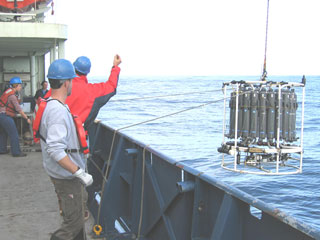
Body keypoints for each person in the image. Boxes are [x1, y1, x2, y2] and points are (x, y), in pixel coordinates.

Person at [39, 59, 93, 240]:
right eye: (71, 80)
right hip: (67, 178)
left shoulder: (53, 104)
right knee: (73, 223)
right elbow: (55, 150)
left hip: (65, 176)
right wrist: (79, 172)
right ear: (66, 82)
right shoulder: (58, 111)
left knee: (77, 218)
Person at [44, 55, 121, 130]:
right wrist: (115, 66)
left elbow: (43, 106)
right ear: (87, 72)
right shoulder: (92, 91)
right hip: (77, 138)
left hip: (52, 132)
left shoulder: (57, 89)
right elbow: (111, 87)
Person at [0, 77, 31, 157]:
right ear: (16, 86)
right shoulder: (12, 96)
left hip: (1, 115)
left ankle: (2, 149)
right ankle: (16, 152)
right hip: (4, 115)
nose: (21, 87)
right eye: (20, 86)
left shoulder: (8, 92)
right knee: (14, 134)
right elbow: (19, 109)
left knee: (3, 133)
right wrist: (27, 118)